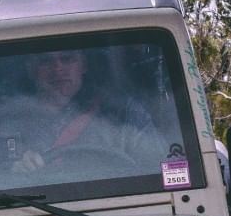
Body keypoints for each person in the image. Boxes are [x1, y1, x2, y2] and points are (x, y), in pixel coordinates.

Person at [12, 49, 166, 174]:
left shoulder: (123, 112)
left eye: (67, 58)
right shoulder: (10, 119)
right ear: (31, 70)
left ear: (83, 65)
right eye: (45, 61)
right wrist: (17, 170)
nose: (57, 68)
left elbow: (159, 166)